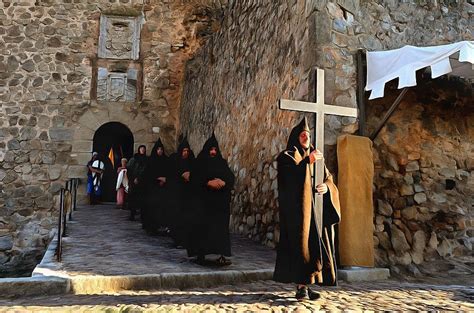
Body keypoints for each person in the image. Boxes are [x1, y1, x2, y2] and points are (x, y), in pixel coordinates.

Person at [273, 117, 341, 301]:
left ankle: (307, 285)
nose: (306, 137)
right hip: (299, 214)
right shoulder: (287, 156)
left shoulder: (316, 156)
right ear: (296, 137)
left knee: (315, 249)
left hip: (316, 212)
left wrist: (327, 187)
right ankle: (301, 287)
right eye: (302, 135)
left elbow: (328, 178)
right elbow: (289, 179)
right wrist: (306, 163)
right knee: (301, 248)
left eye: (308, 135)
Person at [187, 133, 235, 266]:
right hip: (203, 204)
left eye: (215, 149)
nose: (213, 152)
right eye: (211, 149)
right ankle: (201, 255)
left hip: (219, 205)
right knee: (202, 229)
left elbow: (230, 178)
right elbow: (194, 179)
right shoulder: (199, 162)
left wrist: (223, 182)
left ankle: (221, 254)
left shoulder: (222, 163)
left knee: (219, 230)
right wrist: (207, 183)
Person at [169, 137, 195, 248]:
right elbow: (171, 176)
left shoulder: (192, 162)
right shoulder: (175, 162)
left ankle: (186, 241)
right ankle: (177, 240)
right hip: (177, 194)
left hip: (188, 195)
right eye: (184, 151)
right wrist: (181, 176)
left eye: (187, 151)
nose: (185, 153)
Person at [143, 138, 170, 235]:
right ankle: (151, 228)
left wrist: (165, 179)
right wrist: (157, 179)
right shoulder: (151, 161)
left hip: (163, 189)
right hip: (152, 188)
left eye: (161, 149)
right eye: (158, 149)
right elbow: (147, 174)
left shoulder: (166, 161)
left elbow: (169, 172)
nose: (160, 151)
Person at [127, 145, 148, 221]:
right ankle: (132, 214)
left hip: (142, 182)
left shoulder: (147, 159)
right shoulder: (134, 159)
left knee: (142, 199)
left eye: (144, 149)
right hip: (133, 182)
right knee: (133, 198)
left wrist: (139, 178)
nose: (142, 150)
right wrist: (133, 179)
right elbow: (129, 169)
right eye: (141, 148)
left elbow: (146, 170)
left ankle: (143, 215)